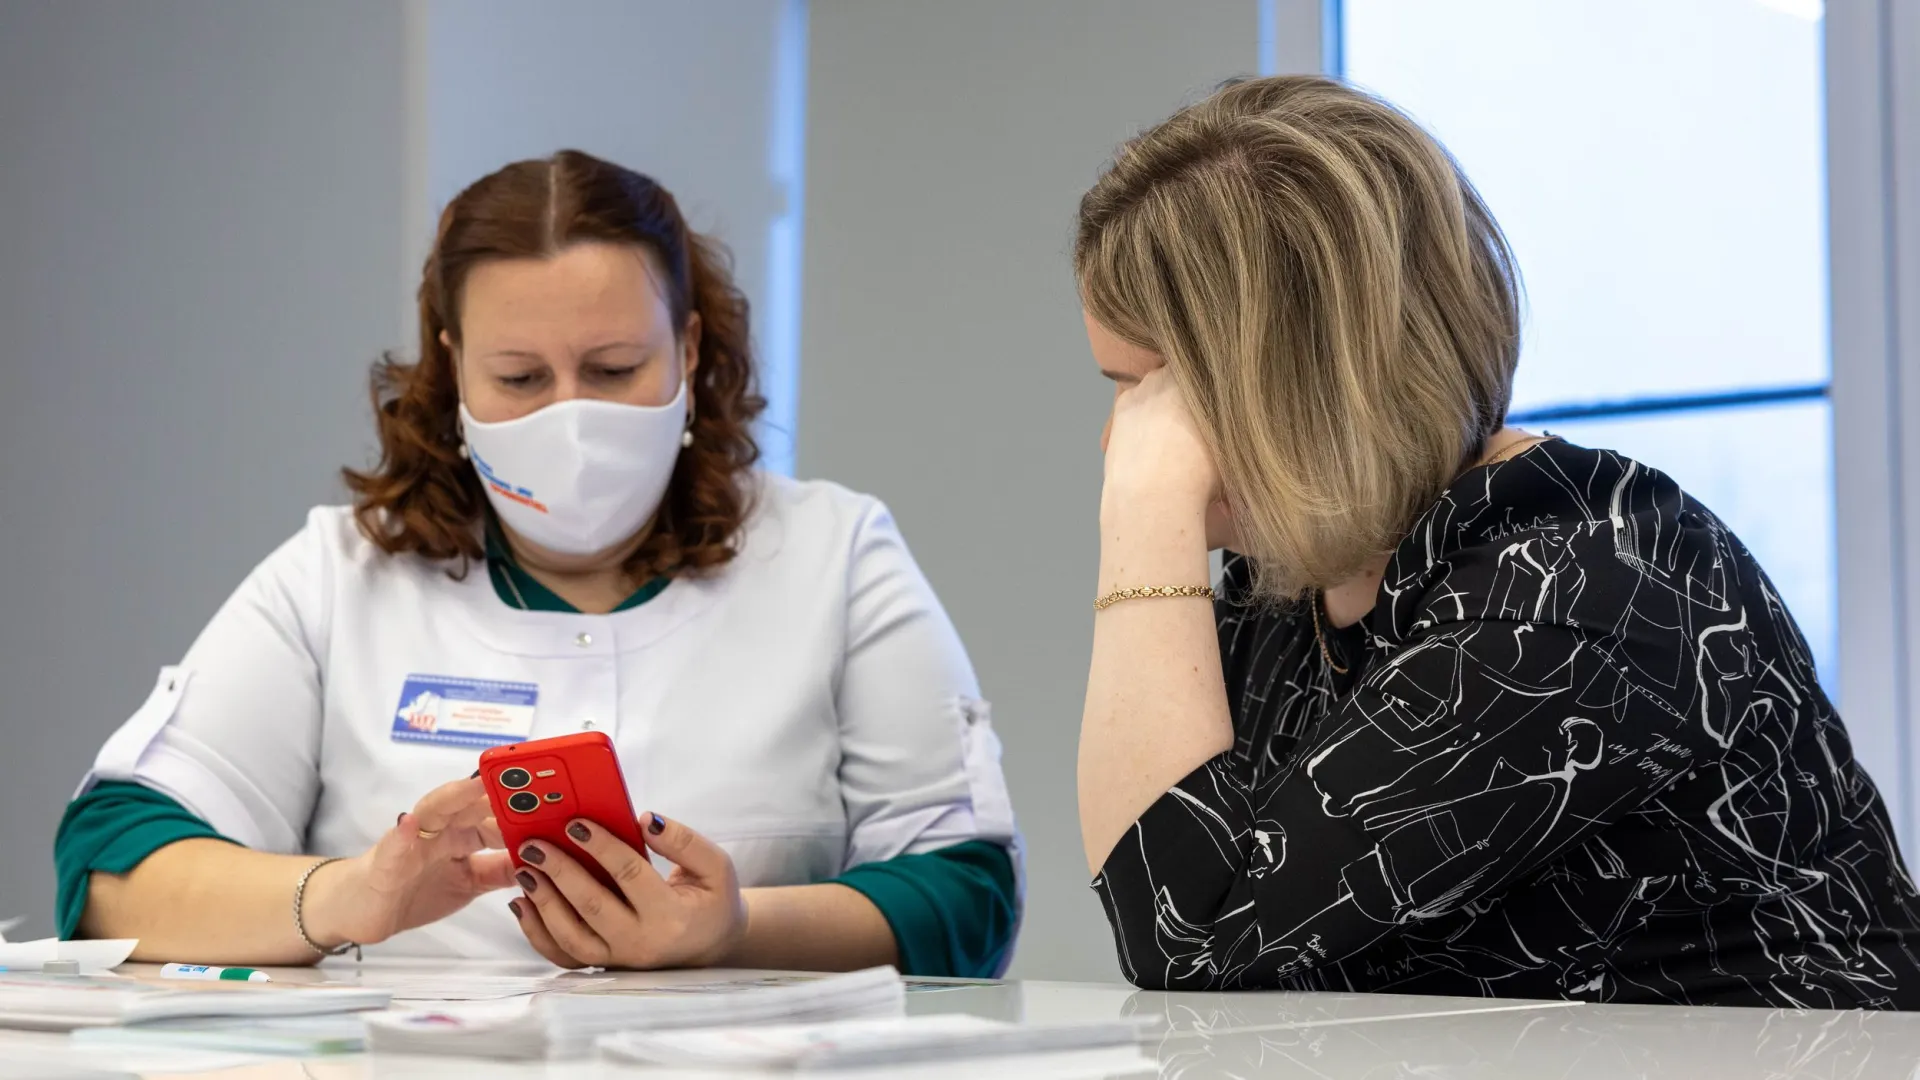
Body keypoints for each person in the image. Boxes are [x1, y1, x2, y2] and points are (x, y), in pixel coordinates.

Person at [57, 150, 1020, 977]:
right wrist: (348, 896)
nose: (571, 418)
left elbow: (966, 894)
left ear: (687, 350)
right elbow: (109, 868)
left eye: (614, 370)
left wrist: (732, 932)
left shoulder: (834, 558)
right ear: (454, 369)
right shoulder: (337, 577)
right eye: (519, 378)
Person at [1072, 75, 1920, 1007]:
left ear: (1294, 379)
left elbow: (1189, 942)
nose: (1121, 444)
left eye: (1148, 394)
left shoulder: (1584, 584)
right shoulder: (1284, 589)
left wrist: (1145, 516)